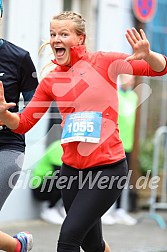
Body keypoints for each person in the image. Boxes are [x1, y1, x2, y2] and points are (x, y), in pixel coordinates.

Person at [0, 10, 167, 252]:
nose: (56, 39)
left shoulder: (105, 61)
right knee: (93, 245)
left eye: (64, 33)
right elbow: (24, 123)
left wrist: (149, 55)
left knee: (68, 238)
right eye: (53, 34)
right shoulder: (51, 81)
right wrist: (5, 116)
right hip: (71, 172)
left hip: (108, 169)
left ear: (80, 38)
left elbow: (159, 69)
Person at [0, 1, 38, 251]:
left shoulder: (19, 57)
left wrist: (9, 117)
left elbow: (36, 107)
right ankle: (17, 246)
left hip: (8, 147)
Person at [31, 139, 66, 224]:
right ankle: (50, 209)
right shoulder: (59, 146)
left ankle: (63, 208)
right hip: (40, 187)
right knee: (66, 177)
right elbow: (60, 171)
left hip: (49, 184)